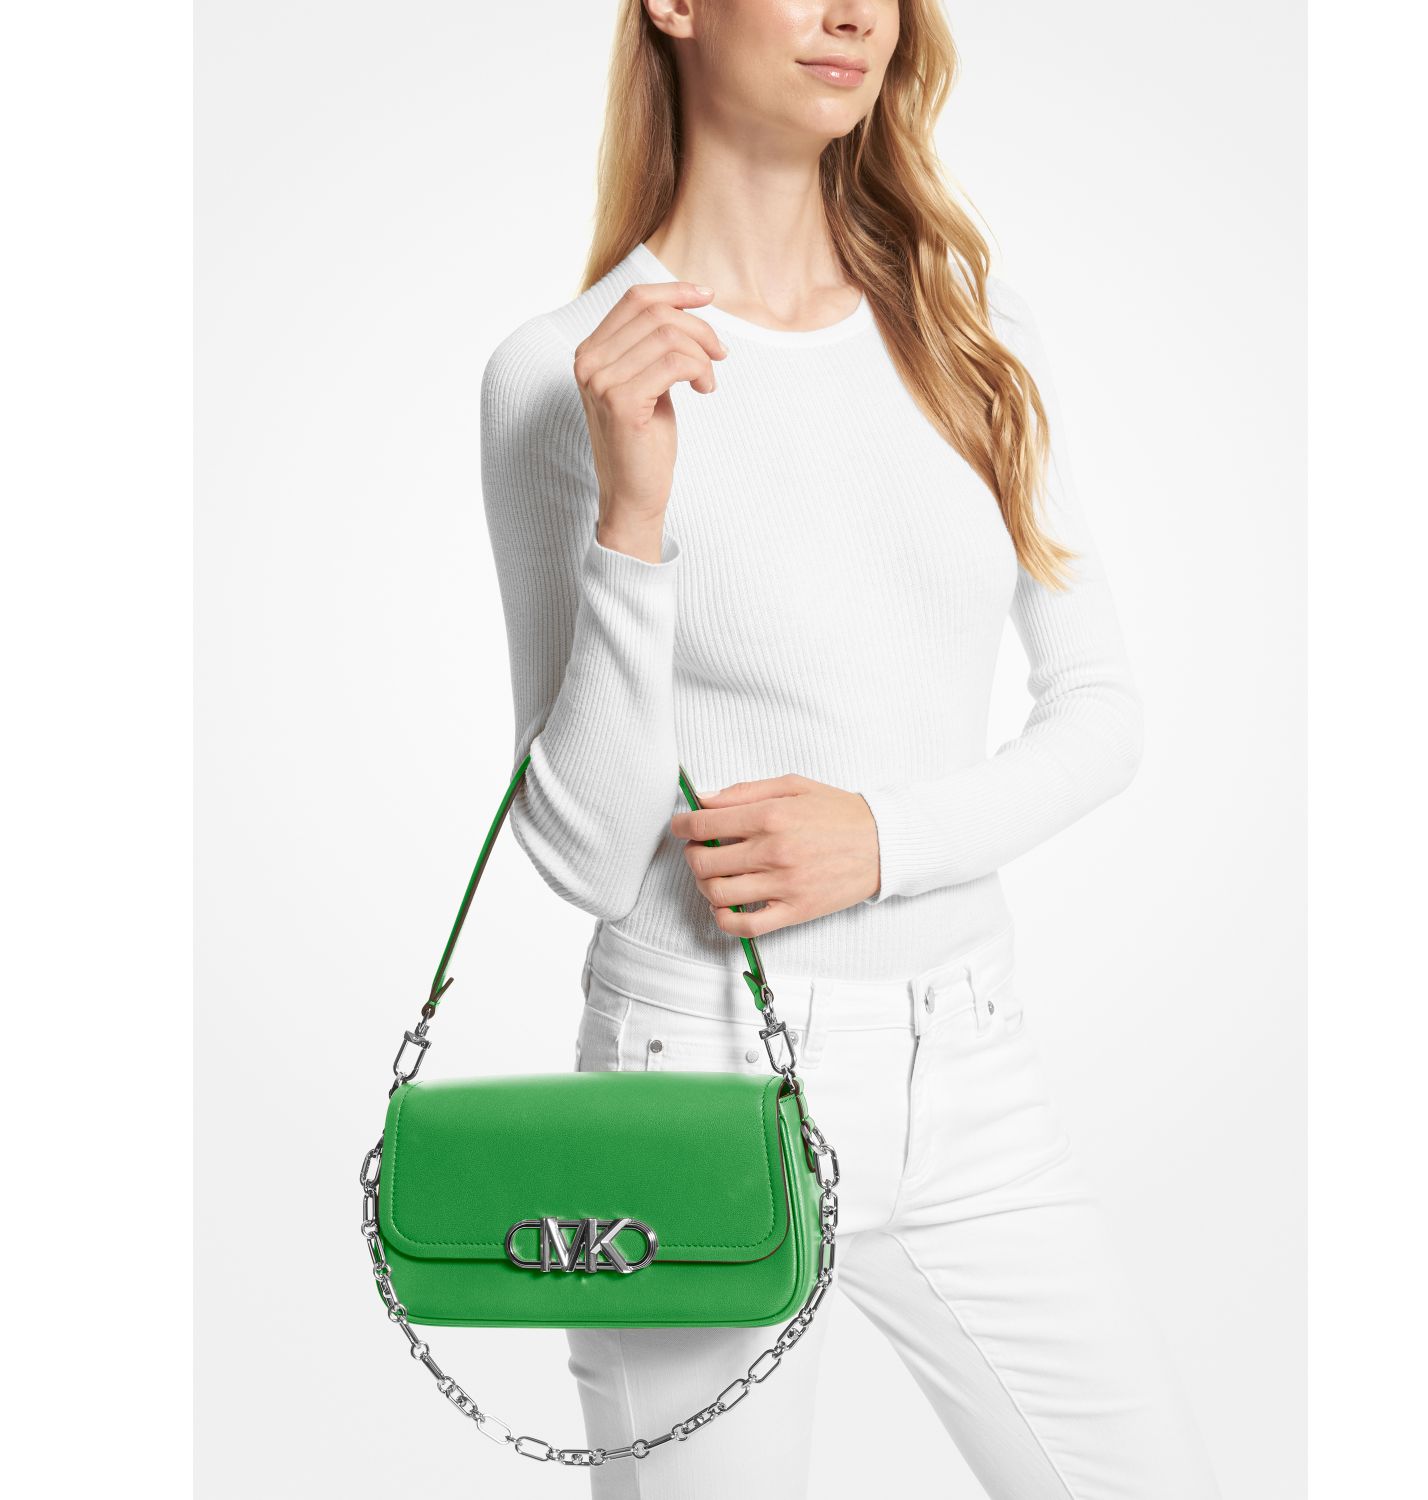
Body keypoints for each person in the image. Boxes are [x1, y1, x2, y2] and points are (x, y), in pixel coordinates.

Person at [479, 2, 1222, 1495]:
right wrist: (634, 513)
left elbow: (1102, 709)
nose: (852, 14)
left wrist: (884, 841)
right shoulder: (564, 370)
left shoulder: (964, 333)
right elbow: (583, 852)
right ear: (675, 7)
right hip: (694, 1071)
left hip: (970, 1074)